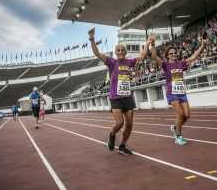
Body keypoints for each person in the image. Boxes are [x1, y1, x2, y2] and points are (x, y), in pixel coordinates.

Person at [89, 27, 151, 155]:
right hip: (115, 97)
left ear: (126, 51)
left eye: (123, 49)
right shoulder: (112, 62)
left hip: (127, 97)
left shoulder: (130, 62)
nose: (121, 51)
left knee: (129, 124)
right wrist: (92, 39)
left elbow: (142, 55)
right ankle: (112, 135)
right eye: (118, 50)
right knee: (119, 123)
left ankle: (122, 145)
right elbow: (97, 53)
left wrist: (148, 43)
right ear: (115, 52)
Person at [150, 34, 207, 145]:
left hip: (182, 93)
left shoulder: (181, 64)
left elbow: (194, 57)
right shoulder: (165, 65)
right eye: (171, 53)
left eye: (175, 53)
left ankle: (175, 127)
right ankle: (178, 136)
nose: (173, 55)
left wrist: (202, 45)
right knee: (180, 114)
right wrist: (152, 45)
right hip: (172, 93)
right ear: (167, 55)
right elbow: (154, 56)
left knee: (187, 115)